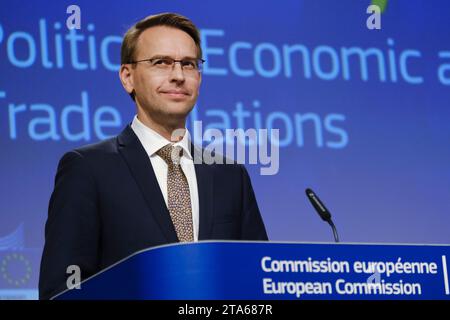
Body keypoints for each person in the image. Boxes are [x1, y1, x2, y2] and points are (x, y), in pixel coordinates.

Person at [39, 12, 268, 300]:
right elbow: (62, 289)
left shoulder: (230, 175)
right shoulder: (87, 169)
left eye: (189, 64)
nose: (178, 75)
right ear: (127, 77)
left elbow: (259, 281)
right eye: (161, 62)